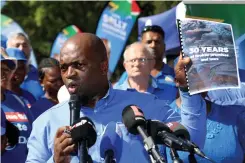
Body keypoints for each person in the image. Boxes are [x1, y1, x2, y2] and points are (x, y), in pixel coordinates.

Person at [26, 33, 206, 163]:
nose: (69, 74)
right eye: (64, 68)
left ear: (103, 67)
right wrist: (55, 161)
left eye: (78, 65)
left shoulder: (144, 106)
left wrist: (187, 89)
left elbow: (193, 140)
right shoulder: (46, 123)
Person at [166, 93, 245, 163]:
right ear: (177, 81)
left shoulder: (236, 115)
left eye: (202, 78)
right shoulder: (163, 119)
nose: (196, 83)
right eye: (189, 78)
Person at [117, 25, 177, 100]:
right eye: (149, 42)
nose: (153, 45)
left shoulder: (175, 76)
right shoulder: (128, 75)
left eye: (157, 42)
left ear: (164, 46)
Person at [1, 50, 33, 163]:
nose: (4, 74)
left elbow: (33, 136)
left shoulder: (18, 101)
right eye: (0, 69)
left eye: (6, 70)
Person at [7, 32, 44, 99]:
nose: (21, 49)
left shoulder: (41, 75)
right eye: (17, 45)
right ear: (8, 50)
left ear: (30, 49)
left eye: (25, 45)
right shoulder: (3, 78)